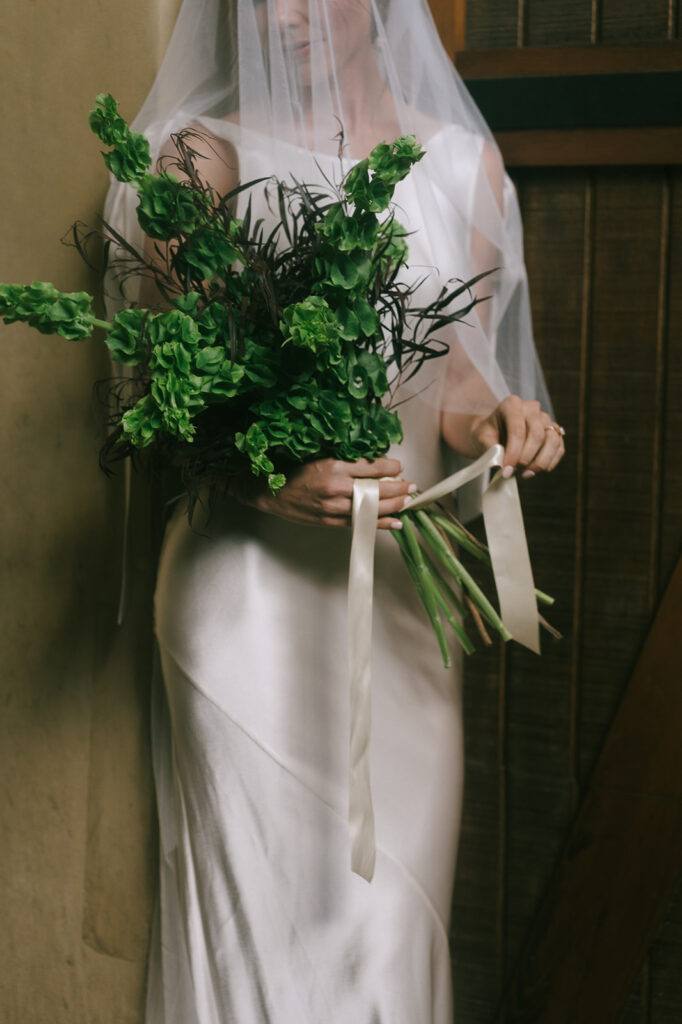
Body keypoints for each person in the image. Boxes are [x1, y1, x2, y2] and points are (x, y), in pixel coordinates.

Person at [104, 2, 565, 1020]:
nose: (287, 12)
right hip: (246, 607)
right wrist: (267, 477)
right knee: (256, 942)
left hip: (394, 606)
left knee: (389, 935)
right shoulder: (192, 163)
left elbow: (453, 394)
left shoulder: (460, 167)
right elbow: (155, 398)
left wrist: (504, 421)